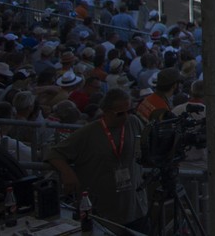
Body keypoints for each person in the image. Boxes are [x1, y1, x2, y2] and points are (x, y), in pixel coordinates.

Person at [47, 87, 148, 235]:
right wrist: (67, 172)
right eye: (120, 113)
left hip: (135, 207)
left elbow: (145, 146)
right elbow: (54, 152)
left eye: (130, 111)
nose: (126, 116)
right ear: (106, 111)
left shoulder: (133, 122)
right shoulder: (88, 132)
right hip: (103, 212)